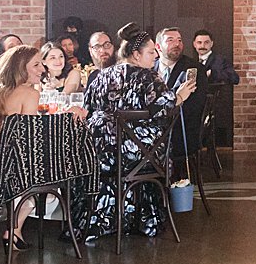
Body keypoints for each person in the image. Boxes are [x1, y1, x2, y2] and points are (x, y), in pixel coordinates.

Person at [84, 24, 197, 239]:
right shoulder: (148, 77)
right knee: (159, 145)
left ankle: (105, 221)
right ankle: (143, 218)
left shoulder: (102, 75)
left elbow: (88, 107)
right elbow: (164, 108)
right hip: (138, 154)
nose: (155, 57)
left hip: (101, 153)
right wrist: (180, 95)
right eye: (151, 52)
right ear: (136, 54)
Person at [0, 44, 52, 252]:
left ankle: (14, 232)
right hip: (10, 162)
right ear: (21, 67)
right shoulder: (29, 94)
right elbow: (28, 137)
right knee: (48, 182)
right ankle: (12, 232)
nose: (42, 69)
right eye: (37, 65)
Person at [156, 28, 205, 164]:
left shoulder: (194, 69)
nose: (177, 44)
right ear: (158, 46)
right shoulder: (149, 70)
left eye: (179, 40)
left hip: (179, 130)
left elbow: (194, 108)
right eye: (170, 40)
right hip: (153, 128)